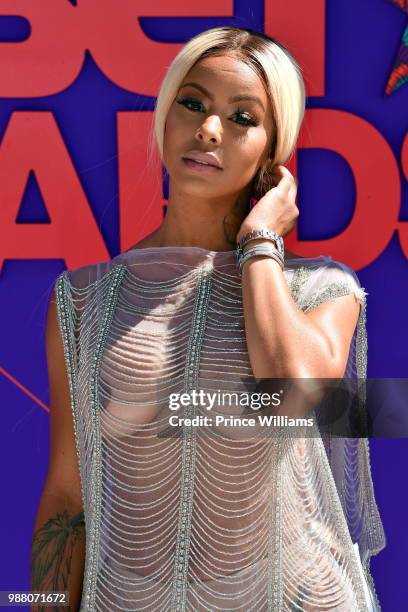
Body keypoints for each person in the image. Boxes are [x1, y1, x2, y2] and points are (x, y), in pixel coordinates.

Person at [31, 26, 385, 611]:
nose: (209, 129)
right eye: (192, 103)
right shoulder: (80, 301)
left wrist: (259, 241)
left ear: (274, 152)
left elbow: (297, 393)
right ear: (165, 117)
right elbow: (68, 498)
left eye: (242, 118)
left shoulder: (322, 288)